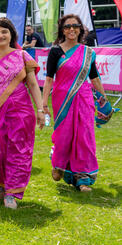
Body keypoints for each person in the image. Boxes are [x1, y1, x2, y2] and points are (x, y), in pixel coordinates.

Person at [0, 17, 45, 209]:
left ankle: (12, 193)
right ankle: (0, 180)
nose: (0, 35)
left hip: (21, 111)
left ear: (11, 34)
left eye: (4, 31)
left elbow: (32, 84)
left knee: (18, 151)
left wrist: (40, 109)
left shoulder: (23, 56)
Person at [42, 14, 107, 192]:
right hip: (62, 99)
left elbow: (95, 79)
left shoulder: (88, 53)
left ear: (81, 29)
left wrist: (104, 101)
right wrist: (44, 104)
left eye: (75, 26)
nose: (72, 29)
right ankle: (59, 163)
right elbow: (48, 80)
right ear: (62, 30)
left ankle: (82, 177)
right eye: (67, 26)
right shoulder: (56, 51)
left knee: (84, 136)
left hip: (85, 99)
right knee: (65, 135)